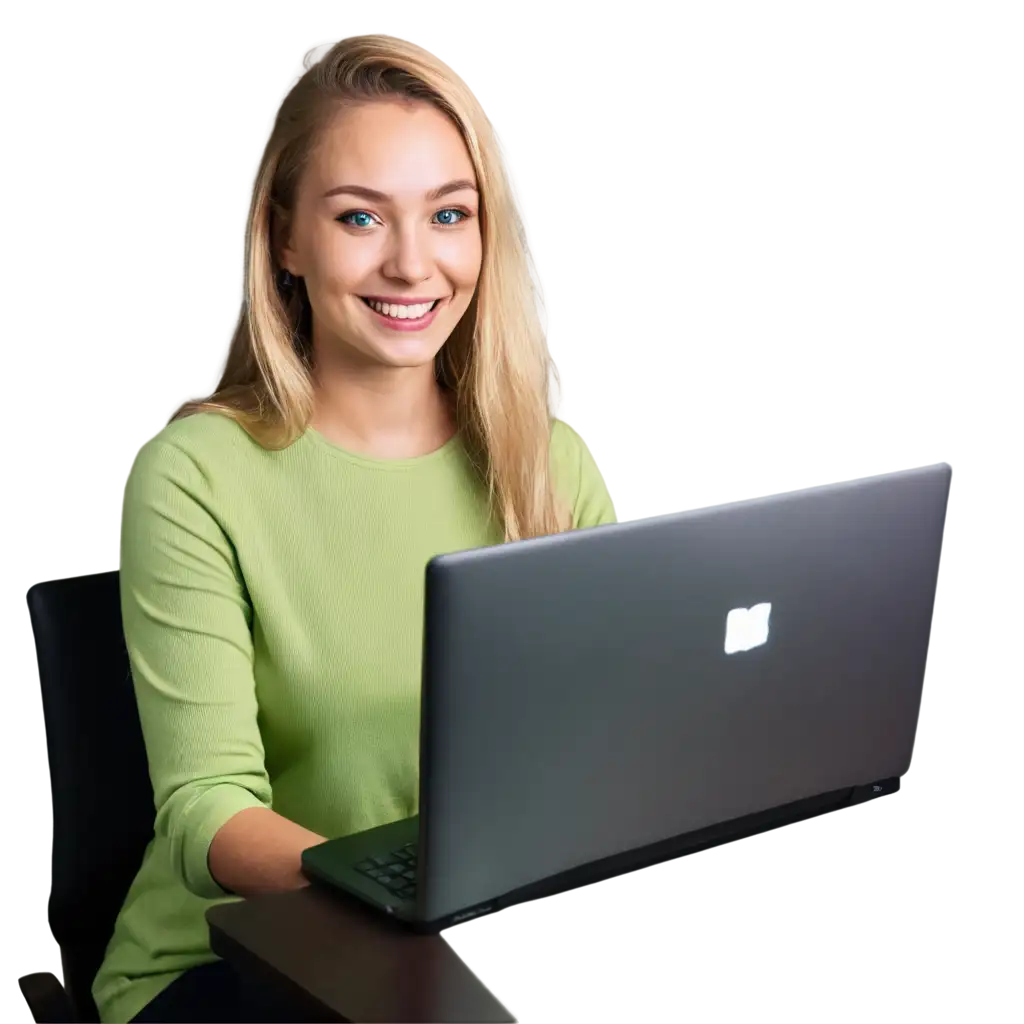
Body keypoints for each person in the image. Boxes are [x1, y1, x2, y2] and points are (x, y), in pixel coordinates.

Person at [92, 33, 617, 1024]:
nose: (411, 263)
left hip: (464, 958)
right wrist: (403, 895)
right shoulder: (196, 475)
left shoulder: (549, 468)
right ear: (286, 237)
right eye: (360, 217)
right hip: (234, 963)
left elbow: (605, 753)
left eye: (448, 214)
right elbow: (206, 810)